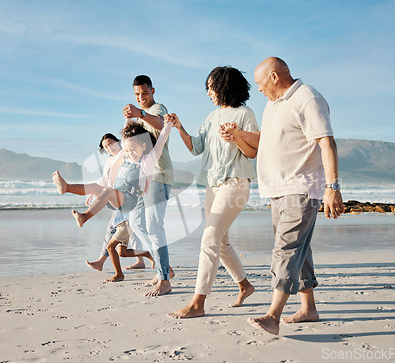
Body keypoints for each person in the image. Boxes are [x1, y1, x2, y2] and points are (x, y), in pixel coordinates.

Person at [223, 57, 344, 335]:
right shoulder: (273, 105)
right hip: (277, 191)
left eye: (260, 82)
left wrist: (332, 187)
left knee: (286, 250)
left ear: (274, 77)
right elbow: (262, 143)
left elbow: (327, 142)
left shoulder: (307, 98)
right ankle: (308, 309)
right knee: (299, 250)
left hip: (301, 187)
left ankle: (272, 316)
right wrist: (238, 134)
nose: (258, 89)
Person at [166, 66, 258, 319]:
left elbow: (252, 152)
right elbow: (195, 148)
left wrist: (236, 137)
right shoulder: (212, 116)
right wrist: (179, 126)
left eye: (211, 87)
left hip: (235, 183)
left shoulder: (244, 114)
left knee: (209, 239)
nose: (208, 92)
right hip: (213, 185)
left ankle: (198, 303)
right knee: (222, 241)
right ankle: (245, 286)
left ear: (224, 85)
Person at [122, 75, 174, 297]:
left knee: (154, 226)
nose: (141, 97)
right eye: (137, 94)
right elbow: (130, 142)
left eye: (144, 93)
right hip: (141, 177)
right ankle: (165, 270)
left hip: (159, 175)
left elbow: (162, 125)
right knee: (136, 223)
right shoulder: (138, 114)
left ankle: (164, 279)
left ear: (152, 91)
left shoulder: (157, 108)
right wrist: (128, 120)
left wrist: (141, 113)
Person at [84, 133, 147, 272]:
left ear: (118, 142)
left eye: (111, 144)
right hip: (116, 198)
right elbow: (104, 179)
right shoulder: (110, 160)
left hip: (126, 197)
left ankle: (102, 261)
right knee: (128, 230)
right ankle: (141, 259)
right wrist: (92, 193)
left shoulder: (125, 154)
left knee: (122, 229)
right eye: (106, 147)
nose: (109, 148)